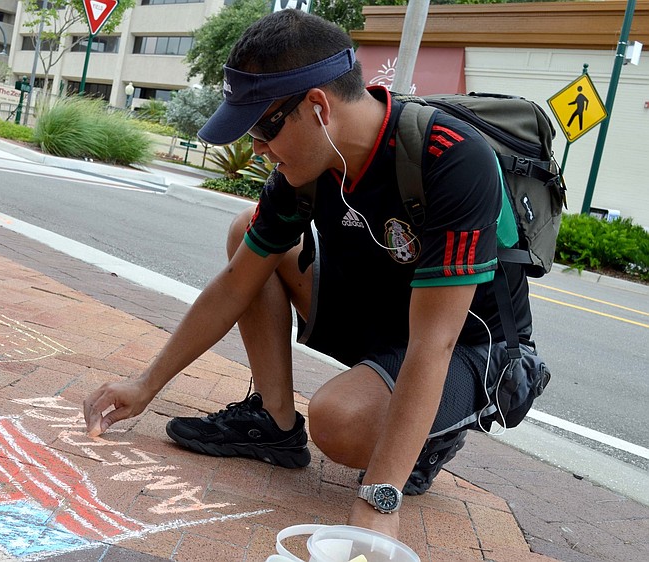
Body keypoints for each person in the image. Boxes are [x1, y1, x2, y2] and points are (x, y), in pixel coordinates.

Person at [84, 9, 545, 538]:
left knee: (338, 421)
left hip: (469, 346)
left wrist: (380, 498)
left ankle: (426, 440)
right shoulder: (306, 169)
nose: (255, 147)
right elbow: (237, 283)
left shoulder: (452, 158)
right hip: (387, 319)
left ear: (318, 108)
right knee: (247, 237)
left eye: (261, 126)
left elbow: (433, 343)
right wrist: (145, 385)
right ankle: (274, 423)